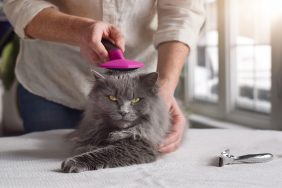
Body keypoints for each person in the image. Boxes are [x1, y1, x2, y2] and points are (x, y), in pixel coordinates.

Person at [3, 0, 205, 153]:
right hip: (56, 82)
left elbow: (183, 10)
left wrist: (165, 86)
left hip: (143, 87)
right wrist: (79, 29)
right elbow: (19, 3)